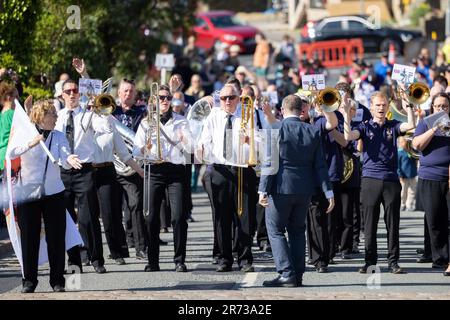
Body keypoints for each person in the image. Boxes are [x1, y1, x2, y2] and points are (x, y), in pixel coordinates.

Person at [259, 94, 334, 287]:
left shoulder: (275, 128)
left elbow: (269, 163)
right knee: (298, 231)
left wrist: (262, 190)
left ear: (282, 111)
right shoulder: (312, 130)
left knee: (275, 230)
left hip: (281, 187)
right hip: (305, 188)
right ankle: (298, 274)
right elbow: (320, 165)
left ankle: (286, 273)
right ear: (301, 110)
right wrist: (328, 192)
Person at [9, 100, 82, 293]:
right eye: (53, 114)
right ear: (42, 116)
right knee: (29, 237)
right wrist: (31, 143)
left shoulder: (58, 136)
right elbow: (11, 153)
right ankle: (29, 281)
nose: (57, 117)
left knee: (56, 237)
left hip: (54, 192)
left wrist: (69, 159)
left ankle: (57, 280)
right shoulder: (26, 133)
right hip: (28, 192)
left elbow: (65, 156)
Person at [343, 91, 416, 274]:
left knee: (393, 223)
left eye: (384, 104)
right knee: (369, 223)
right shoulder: (365, 126)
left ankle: (393, 262)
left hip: (391, 180)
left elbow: (411, 125)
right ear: (372, 106)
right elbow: (348, 137)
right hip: (370, 180)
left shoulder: (393, 125)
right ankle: (370, 262)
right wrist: (345, 113)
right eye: (377, 105)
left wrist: (408, 106)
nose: (381, 108)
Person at [133, 84, 193, 272]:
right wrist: (145, 148)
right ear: (154, 101)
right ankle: (153, 261)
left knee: (178, 217)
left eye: (167, 97)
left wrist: (185, 141)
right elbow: (136, 151)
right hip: (154, 170)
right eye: (160, 98)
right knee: (150, 217)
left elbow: (191, 150)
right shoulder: (145, 123)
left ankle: (179, 260)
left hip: (175, 171)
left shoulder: (182, 121)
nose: (165, 101)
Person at [197, 84, 256, 273]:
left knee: (244, 217)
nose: (227, 101)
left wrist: (251, 140)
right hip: (220, 170)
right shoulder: (213, 116)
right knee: (221, 218)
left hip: (242, 169)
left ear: (238, 97)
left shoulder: (248, 114)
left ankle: (245, 259)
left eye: (231, 97)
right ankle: (224, 258)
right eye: (223, 98)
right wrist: (201, 150)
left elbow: (261, 140)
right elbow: (204, 140)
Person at [55, 79, 106, 274]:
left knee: (88, 218)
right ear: (62, 95)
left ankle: (96, 259)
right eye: (68, 91)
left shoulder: (88, 114)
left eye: (75, 90)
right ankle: (74, 261)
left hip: (84, 170)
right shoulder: (58, 116)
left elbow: (105, 128)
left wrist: (98, 108)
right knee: (66, 220)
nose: (72, 94)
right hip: (64, 172)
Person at [91, 113, 144, 265]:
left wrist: (139, 170)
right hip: (87, 171)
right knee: (88, 216)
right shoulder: (83, 125)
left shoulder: (109, 126)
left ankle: (116, 252)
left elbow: (124, 154)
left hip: (107, 170)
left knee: (108, 215)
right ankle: (90, 253)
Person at [412, 92, 450, 275]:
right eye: (438, 107)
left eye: (445, 107)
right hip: (430, 177)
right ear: (432, 108)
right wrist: (434, 128)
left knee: (448, 220)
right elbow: (417, 145)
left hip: (448, 177)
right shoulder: (425, 122)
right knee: (434, 220)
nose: (441, 109)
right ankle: (439, 258)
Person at [112, 79, 148, 258]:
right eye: (125, 91)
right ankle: (120, 248)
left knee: (135, 205)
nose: (128, 94)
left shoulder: (142, 112)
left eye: (131, 91)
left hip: (134, 165)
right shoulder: (111, 110)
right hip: (113, 165)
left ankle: (141, 247)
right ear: (118, 93)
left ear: (135, 95)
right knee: (114, 209)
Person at [397, 136, 418, 211]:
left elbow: (416, 159)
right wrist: (399, 175)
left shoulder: (411, 151)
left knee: (412, 191)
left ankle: (409, 205)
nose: (404, 143)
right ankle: (402, 204)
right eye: (402, 142)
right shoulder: (399, 153)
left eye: (405, 141)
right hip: (403, 175)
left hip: (412, 174)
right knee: (403, 191)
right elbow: (398, 165)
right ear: (399, 143)